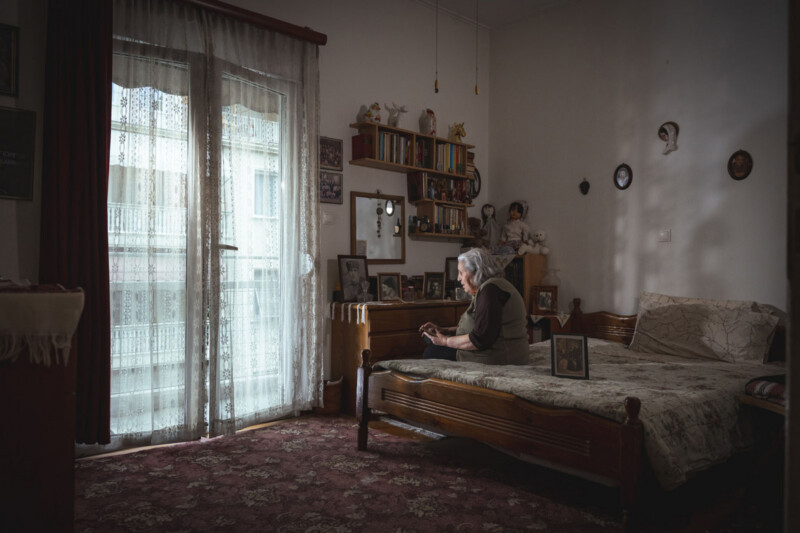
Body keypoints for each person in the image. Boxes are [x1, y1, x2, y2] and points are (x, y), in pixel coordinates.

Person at [418, 248, 529, 365]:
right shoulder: (493, 286)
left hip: (499, 357)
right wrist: (444, 331)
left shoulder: (490, 291)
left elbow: (480, 339)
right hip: (506, 352)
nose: (458, 278)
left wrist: (445, 340)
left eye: (461, 272)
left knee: (432, 352)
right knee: (432, 344)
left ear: (476, 272)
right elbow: (484, 327)